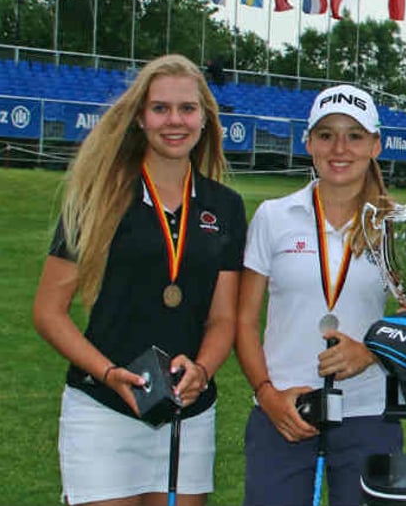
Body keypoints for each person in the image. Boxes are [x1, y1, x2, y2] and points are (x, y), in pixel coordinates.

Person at [31, 54, 244, 506]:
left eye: (187, 108)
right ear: (140, 119)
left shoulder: (224, 206)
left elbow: (223, 317)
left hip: (189, 413)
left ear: (205, 118)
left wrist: (202, 370)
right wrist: (109, 374)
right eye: (160, 108)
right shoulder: (99, 194)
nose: (175, 120)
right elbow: (49, 313)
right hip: (103, 409)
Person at [234, 84, 402, 506]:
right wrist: (267, 395)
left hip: (368, 411)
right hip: (284, 410)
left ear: (375, 145)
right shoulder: (273, 216)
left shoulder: (395, 226)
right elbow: (242, 320)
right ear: (308, 142)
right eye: (326, 135)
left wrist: (371, 351)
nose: (339, 148)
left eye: (354, 135)